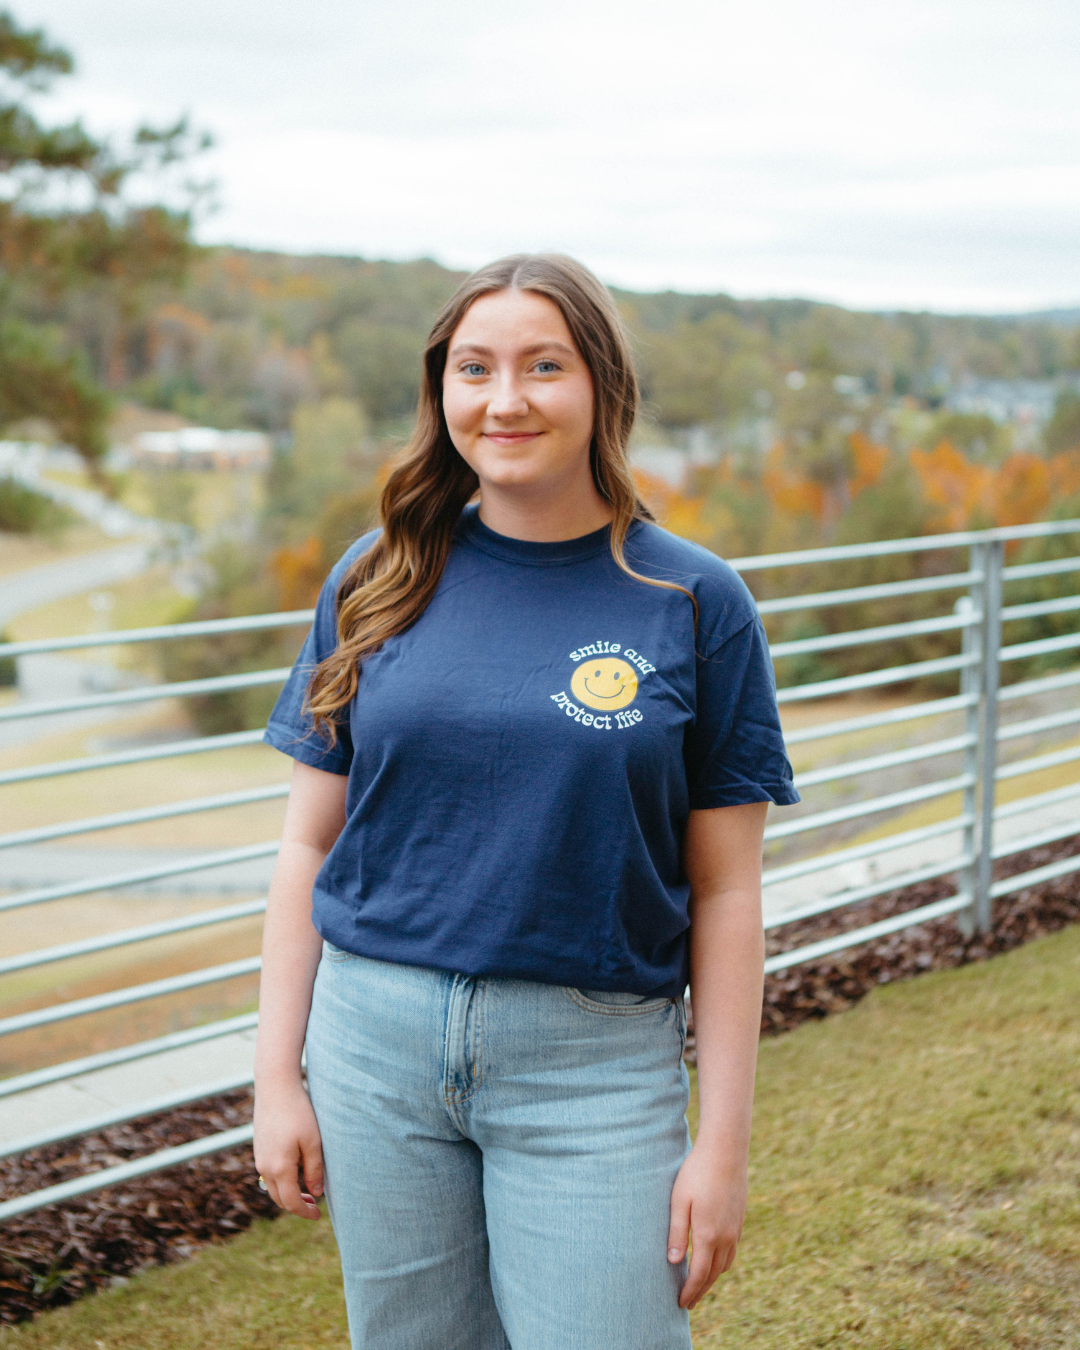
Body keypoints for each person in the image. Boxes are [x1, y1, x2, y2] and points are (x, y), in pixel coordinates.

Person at [253, 253, 798, 1350]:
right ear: (440, 389)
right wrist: (277, 1078)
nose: (505, 401)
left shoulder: (692, 600)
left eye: (543, 366)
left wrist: (722, 1145)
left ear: (601, 385)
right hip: (373, 1053)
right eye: (474, 368)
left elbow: (727, 889)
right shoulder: (377, 578)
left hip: (591, 1067)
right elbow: (309, 844)